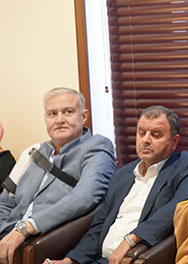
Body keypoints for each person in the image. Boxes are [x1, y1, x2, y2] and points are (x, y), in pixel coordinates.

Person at [50, 105, 188, 264]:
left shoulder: (186, 165)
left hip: (133, 258)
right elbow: (99, 227)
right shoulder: (122, 175)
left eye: (156, 135)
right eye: (141, 133)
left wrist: (131, 239)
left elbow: (180, 208)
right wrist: (70, 260)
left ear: (174, 141)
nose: (146, 140)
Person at [0, 87, 116, 264]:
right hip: (9, 234)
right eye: (52, 114)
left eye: (68, 112)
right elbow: (6, 200)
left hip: (43, 239)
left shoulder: (97, 148)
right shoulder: (35, 152)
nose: (60, 120)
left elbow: (84, 197)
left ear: (84, 116)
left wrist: (27, 227)